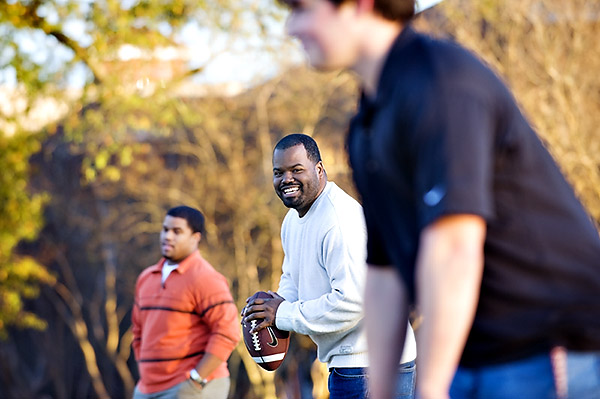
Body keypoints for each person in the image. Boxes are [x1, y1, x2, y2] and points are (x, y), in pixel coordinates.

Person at [276, 0, 600, 399]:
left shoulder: (442, 81)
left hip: (551, 345)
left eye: (302, 9)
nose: (291, 27)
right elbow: (384, 271)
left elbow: (453, 247)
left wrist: (430, 387)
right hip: (476, 351)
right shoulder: (366, 125)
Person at [242, 133, 417, 399]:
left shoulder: (339, 221)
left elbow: (353, 302)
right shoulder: (292, 219)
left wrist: (284, 314)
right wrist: (270, 307)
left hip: (372, 363)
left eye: (296, 169)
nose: (286, 179)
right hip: (350, 364)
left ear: (319, 169)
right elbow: (291, 278)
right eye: (279, 172)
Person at [131, 206, 240, 399]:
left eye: (177, 232)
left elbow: (228, 331)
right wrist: (145, 368)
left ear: (195, 237)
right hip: (147, 388)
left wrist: (197, 379)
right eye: (165, 230)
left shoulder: (205, 278)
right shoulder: (146, 278)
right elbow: (138, 330)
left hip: (192, 387)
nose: (168, 237)